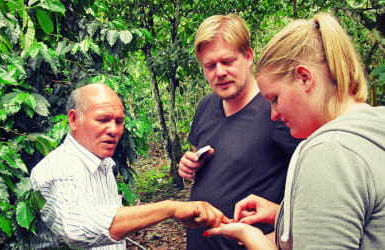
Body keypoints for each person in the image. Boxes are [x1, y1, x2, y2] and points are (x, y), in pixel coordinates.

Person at [203, 12, 385, 249]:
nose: (274, 114)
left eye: (275, 98)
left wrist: (253, 239)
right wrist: (284, 215)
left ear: (304, 78)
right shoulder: (373, 126)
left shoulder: (329, 152)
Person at [30, 83, 231, 249]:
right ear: (74, 120)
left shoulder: (103, 164)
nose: (113, 130)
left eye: (119, 121)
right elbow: (76, 229)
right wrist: (170, 209)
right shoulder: (57, 169)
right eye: (103, 120)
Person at [178, 14, 301, 249]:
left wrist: (281, 224)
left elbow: (308, 183)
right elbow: (201, 165)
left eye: (227, 61)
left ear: (248, 57)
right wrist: (188, 166)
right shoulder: (206, 105)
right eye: (210, 66)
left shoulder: (277, 109)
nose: (219, 72)